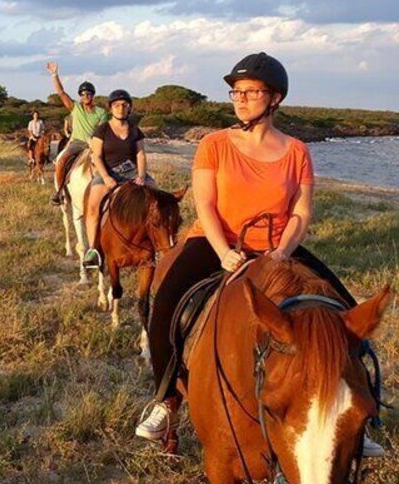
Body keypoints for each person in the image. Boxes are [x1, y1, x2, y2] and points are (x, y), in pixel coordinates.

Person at [134, 52, 384, 458]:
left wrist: (283, 250)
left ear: (275, 98)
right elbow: (206, 207)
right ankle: (167, 401)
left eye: (250, 92)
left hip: (277, 247)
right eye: (236, 91)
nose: (240, 98)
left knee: (345, 315)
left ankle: (358, 416)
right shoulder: (214, 144)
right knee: (164, 306)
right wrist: (224, 253)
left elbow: (301, 211)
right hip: (216, 242)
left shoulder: (297, 151)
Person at [81, 89, 154, 269]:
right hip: (109, 172)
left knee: (157, 196)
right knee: (92, 207)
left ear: (129, 108)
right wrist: (105, 177)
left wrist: (142, 176)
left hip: (131, 172)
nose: (121, 108)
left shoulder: (135, 130)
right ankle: (93, 250)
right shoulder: (103, 129)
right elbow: (96, 156)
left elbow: (141, 154)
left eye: (124, 105)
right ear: (111, 108)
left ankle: (155, 241)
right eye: (117, 105)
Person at [46, 62, 109, 206]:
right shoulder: (76, 108)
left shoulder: (101, 112)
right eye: (82, 94)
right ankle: (59, 192)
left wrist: (93, 142)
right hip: (77, 142)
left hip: (94, 144)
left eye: (88, 93)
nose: (85, 96)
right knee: (61, 160)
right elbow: (61, 92)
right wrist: (55, 75)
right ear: (80, 96)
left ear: (93, 95)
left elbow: (102, 131)